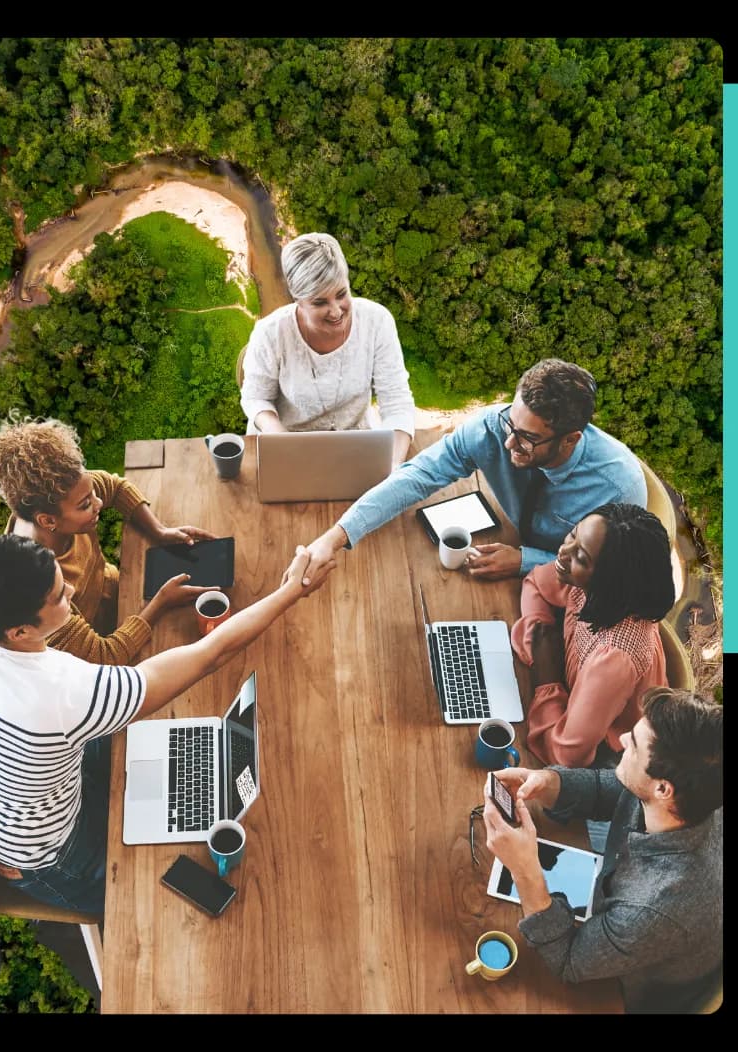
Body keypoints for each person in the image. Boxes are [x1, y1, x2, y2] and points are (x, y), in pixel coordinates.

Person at [0, 534, 335, 915]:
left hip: (37, 786)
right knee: (156, 907)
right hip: (51, 856)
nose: (70, 590)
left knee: (177, 757)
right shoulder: (62, 692)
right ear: (19, 631)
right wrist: (291, 592)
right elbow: (209, 655)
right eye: (58, 596)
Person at [483, 687, 722, 1015]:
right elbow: (615, 790)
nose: (622, 739)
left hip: (626, 992)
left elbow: (568, 960)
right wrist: (549, 783)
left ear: (663, 788)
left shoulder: (655, 908)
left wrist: (525, 871)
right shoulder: (683, 801)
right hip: (620, 919)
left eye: (634, 745)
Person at [302, 358, 647, 582]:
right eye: (510, 423)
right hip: (503, 557)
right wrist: (336, 536)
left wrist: (526, 562)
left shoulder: (619, 488)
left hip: (561, 589)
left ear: (570, 440)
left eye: (527, 438)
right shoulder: (493, 427)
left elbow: (611, 575)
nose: (509, 443)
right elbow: (419, 474)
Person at [0, 414, 218, 664]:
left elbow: (115, 487)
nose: (99, 503)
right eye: (85, 505)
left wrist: (159, 531)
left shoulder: (66, 490)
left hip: (122, 592)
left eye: (92, 493)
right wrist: (161, 603)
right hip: (104, 642)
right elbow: (105, 656)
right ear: (48, 521)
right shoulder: (38, 589)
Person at [512, 503, 674, 769]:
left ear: (610, 581)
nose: (563, 553)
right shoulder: (587, 582)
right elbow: (536, 583)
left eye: (582, 558)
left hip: (611, 758)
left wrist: (547, 677)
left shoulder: (616, 657)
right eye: (573, 534)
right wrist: (538, 637)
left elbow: (567, 756)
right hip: (569, 707)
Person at [239, 232, 416, 467]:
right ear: (298, 300)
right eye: (319, 302)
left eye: (342, 294)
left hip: (357, 447)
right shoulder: (269, 332)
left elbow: (397, 401)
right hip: (289, 449)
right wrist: (281, 439)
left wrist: (392, 466)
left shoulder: (377, 321)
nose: (336, 312)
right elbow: (255, 398)